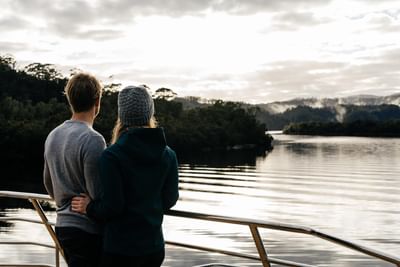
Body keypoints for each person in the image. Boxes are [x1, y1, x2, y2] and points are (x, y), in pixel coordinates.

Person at [71, 85, 179, 267]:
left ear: (122, 116)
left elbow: (112, 207)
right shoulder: (168, 154)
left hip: (120, 251)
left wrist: (89, 207)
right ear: (150, 113)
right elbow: (170, 199)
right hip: (154, 248)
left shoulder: (112, 156)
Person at [43, 73, 105, 267]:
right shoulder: (93, 139)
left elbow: (47, 182)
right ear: (97, 101)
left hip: (63, 227)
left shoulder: (53, 135)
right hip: (87, 231)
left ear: (70, 100)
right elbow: (97, 193)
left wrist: (63, 200)